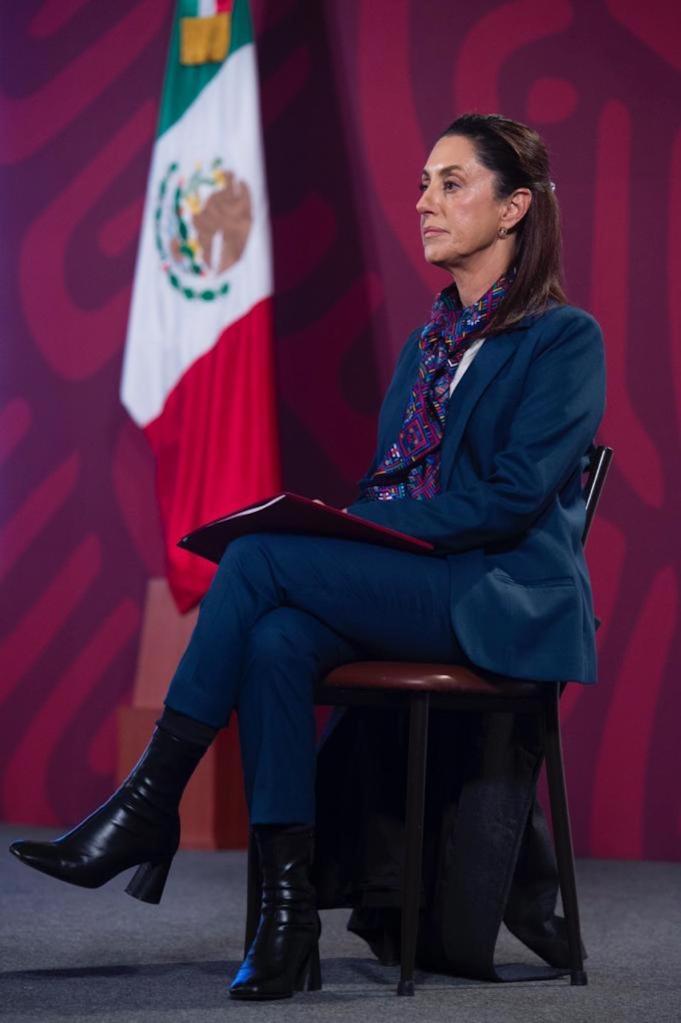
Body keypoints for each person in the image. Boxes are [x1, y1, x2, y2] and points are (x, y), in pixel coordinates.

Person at [9, 112, 606, 1001]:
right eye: (420, 184)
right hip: (421, 576)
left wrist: (370, 537)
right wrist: (353, 528)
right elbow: (388, 481)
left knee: (257, 559)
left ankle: (146, 805)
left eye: (451, 183)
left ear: (515, 206)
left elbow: (514, 497)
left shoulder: (564, 338)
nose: (425, 202)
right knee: (278, 636)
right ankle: (285, 923)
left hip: (497, 590)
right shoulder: (428, 347)